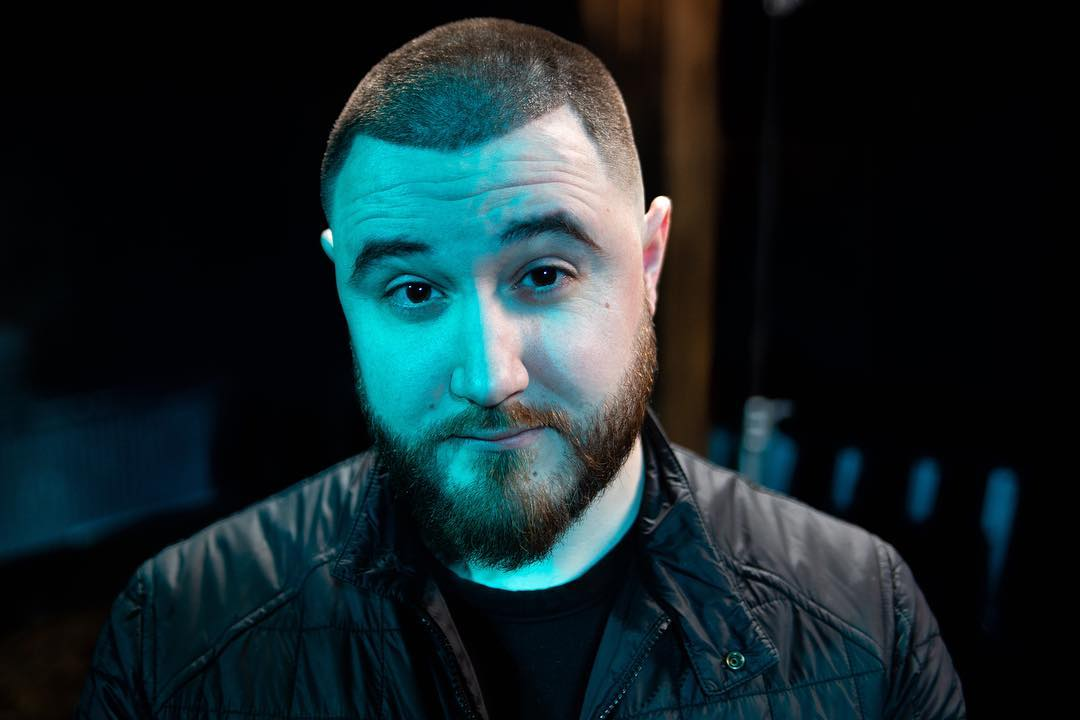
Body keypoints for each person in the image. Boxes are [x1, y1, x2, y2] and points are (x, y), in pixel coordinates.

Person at [75, 17, 966, 720]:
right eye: (414, 290)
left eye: (544, 275)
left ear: (649, 262)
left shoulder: (865, 617)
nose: (489, 376)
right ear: (342, 289)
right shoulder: (178, 634)